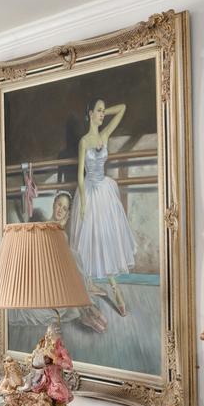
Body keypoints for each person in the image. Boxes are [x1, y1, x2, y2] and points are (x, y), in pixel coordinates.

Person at [68, 100, 137, 314]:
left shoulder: (105, 134)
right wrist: (83, 205)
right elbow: (80, 174)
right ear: (89, 113)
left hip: (105, 191)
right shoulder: (84, 141)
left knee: (107, 239)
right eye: (98, 111)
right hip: (89, 191)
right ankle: (89, 288)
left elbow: (123, 108)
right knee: (90, 240)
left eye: (103, 111)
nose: (102, 114)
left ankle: (115, 291)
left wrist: (105, 110)